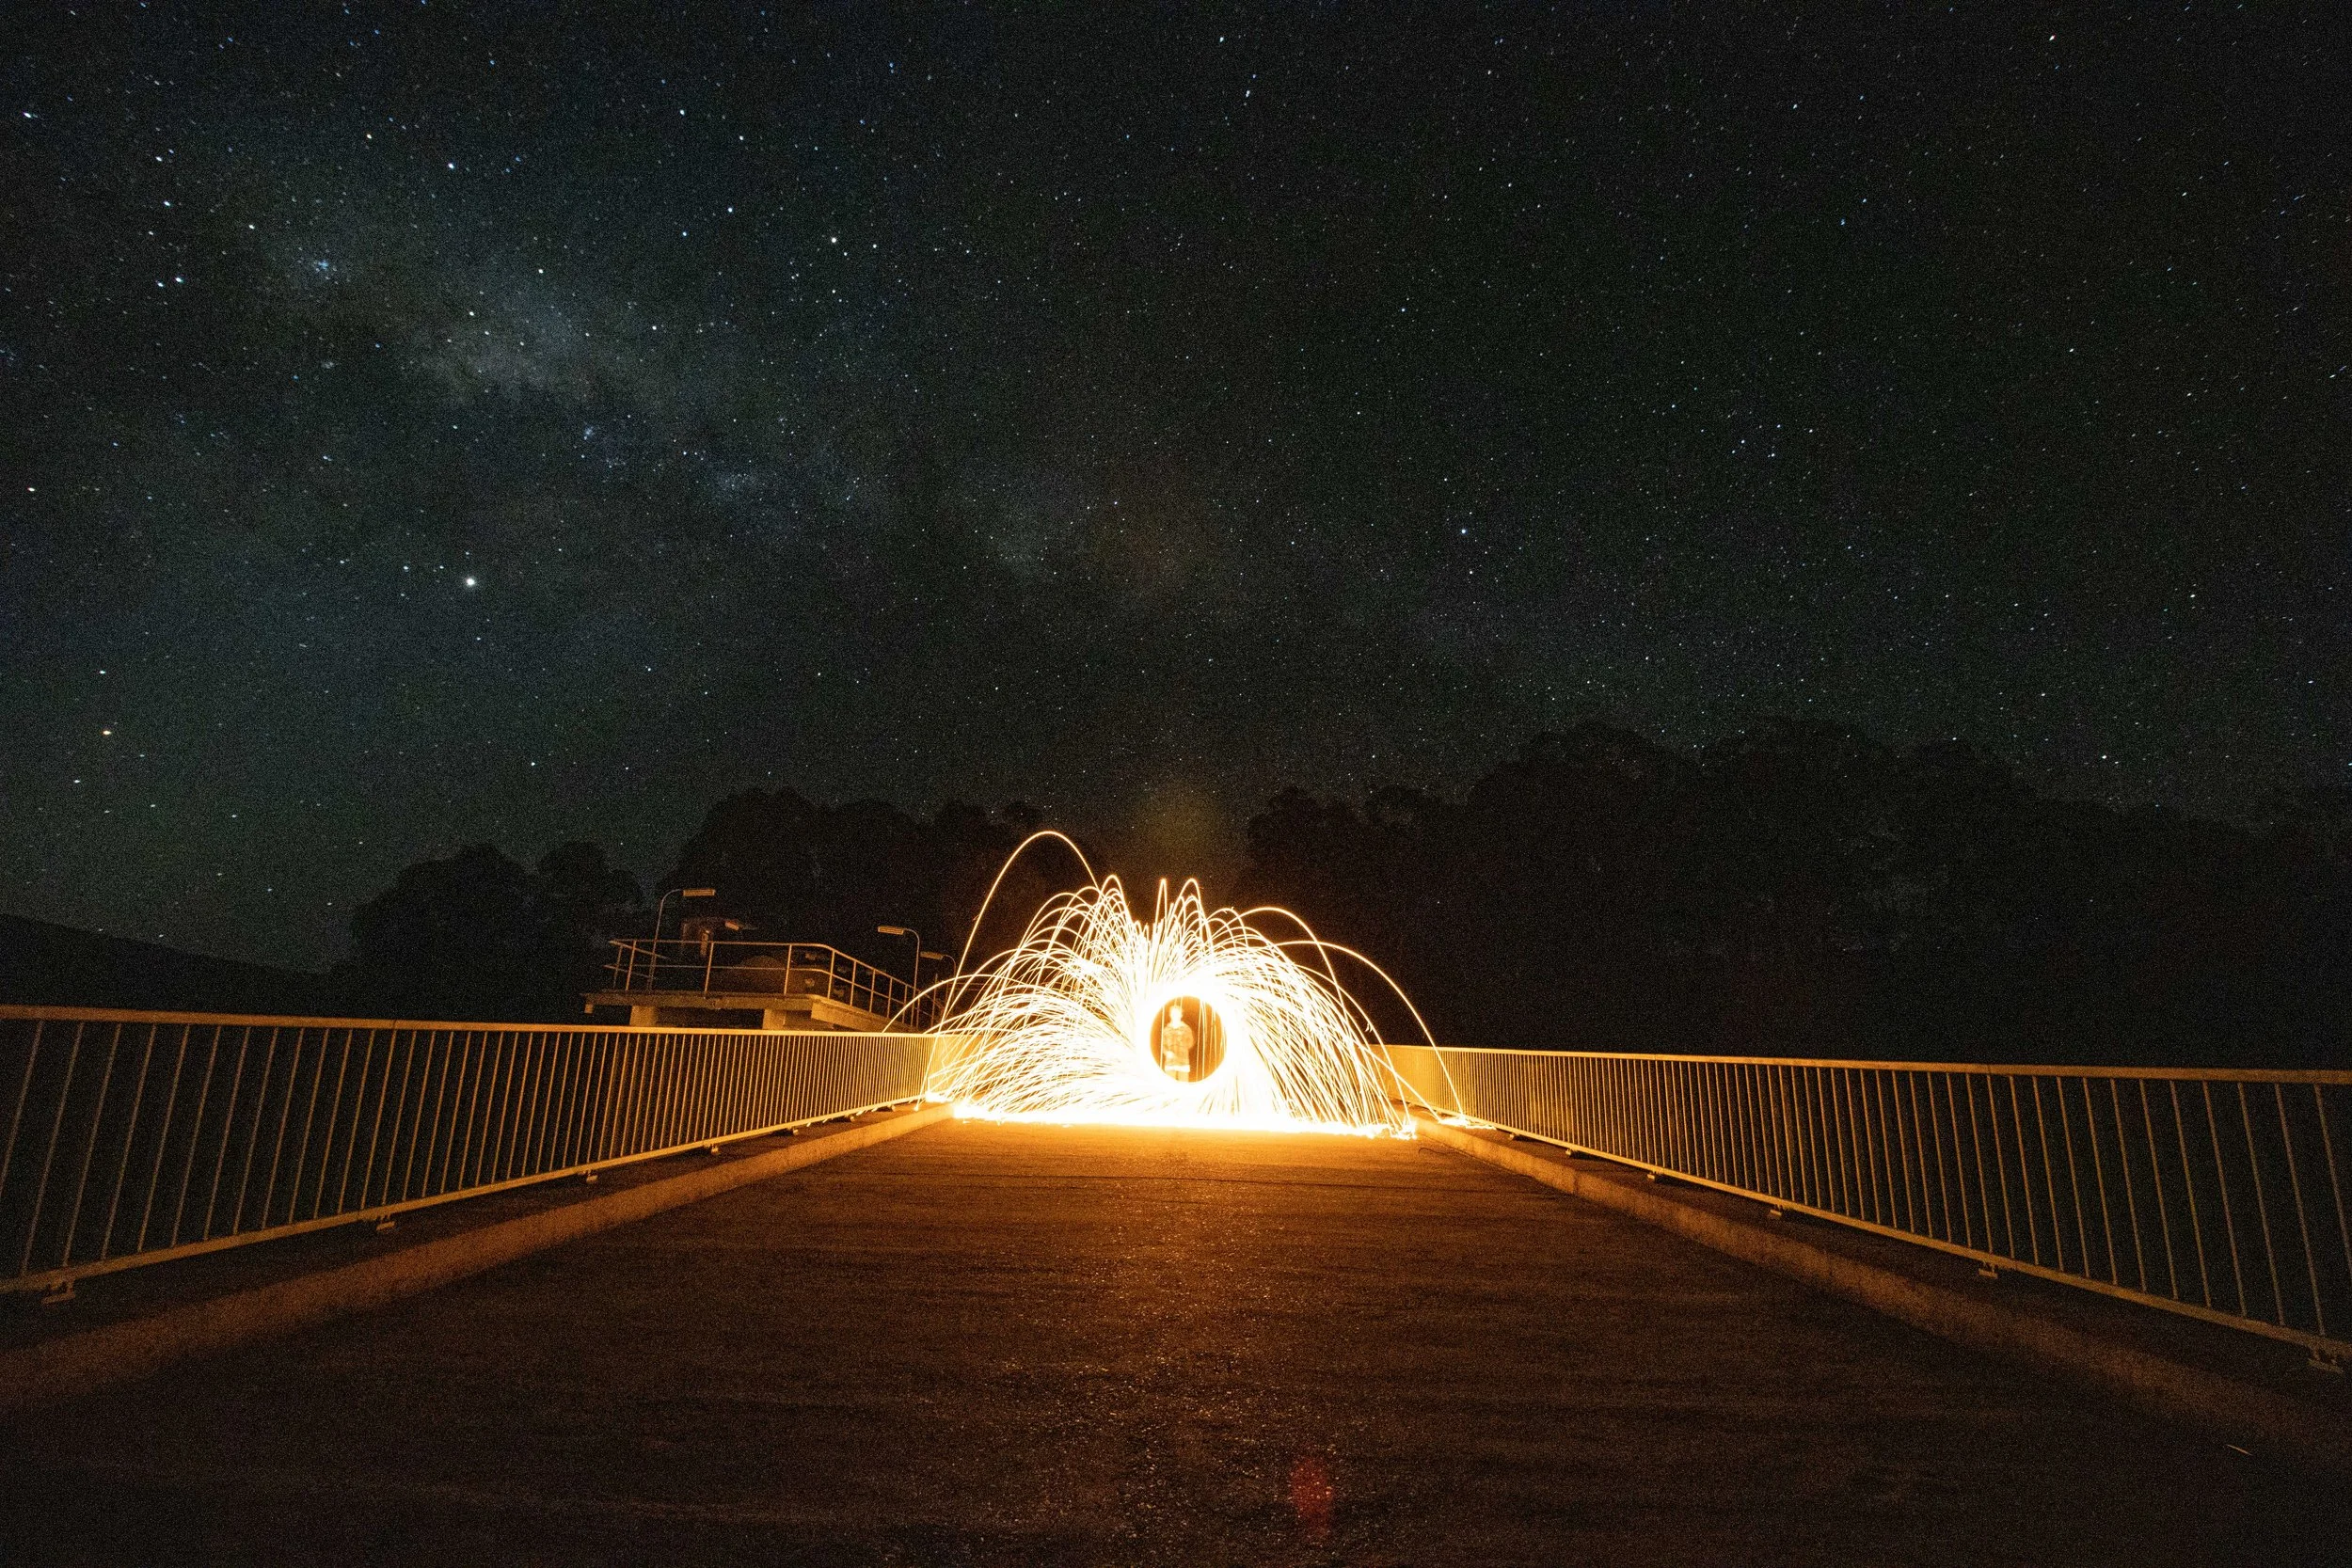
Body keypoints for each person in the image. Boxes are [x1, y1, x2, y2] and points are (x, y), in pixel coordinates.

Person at [1160, 1003, 1194, 1082]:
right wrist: (1167, 1052)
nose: (1175, 1015)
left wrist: (1182, 1047)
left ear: (1181, 1015)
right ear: (1170, 1015)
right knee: (1170, 1088)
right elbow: (1163, 1045)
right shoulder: (1166, 1029)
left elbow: (1190, 1043)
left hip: (1183, 1063)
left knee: (1183, 1088)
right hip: (1170, 1064)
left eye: (1177, 1013)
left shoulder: (1186, 1029)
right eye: (1173, 1013)